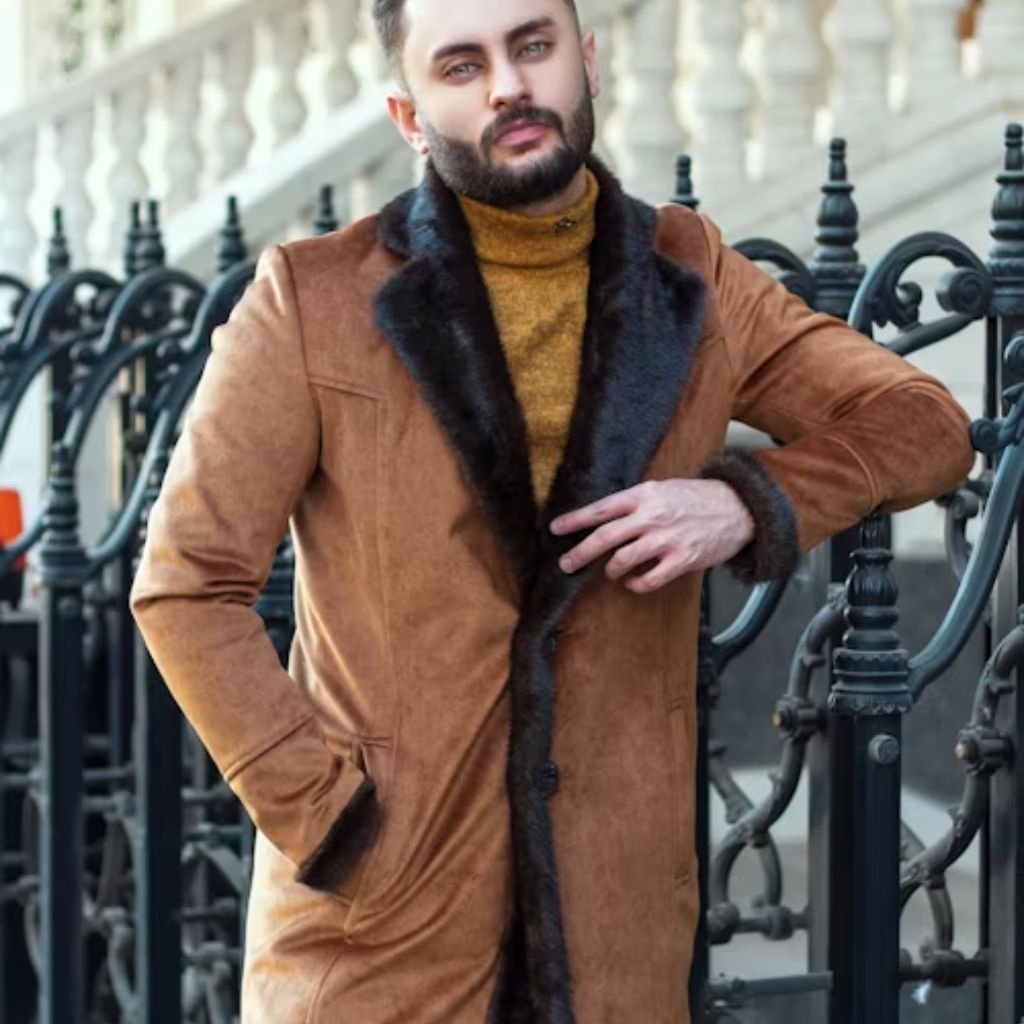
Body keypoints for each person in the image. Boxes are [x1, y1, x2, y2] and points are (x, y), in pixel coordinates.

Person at [129, 0, 975, 1020]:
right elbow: (185, 584)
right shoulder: (311, 301)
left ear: (588, 60)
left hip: (615, 927)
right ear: (407, 112)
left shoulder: (693, 274)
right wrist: (328, 816)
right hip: (379, 941)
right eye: (461, 64)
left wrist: (751, 500)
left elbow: (922, 421)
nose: (507, 86)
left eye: (532, 47)